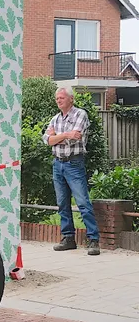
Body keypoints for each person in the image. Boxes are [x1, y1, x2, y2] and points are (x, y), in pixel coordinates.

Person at [43, 87, 100, 255]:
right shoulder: (55, 118)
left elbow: (74, 140)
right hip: (57, 164)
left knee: (82, 202)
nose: (58, 100)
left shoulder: (80, 114)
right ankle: (68, 238)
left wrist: (57, 137)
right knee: (62, 204)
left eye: (61, 97)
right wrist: (65, 135)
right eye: (57, 98)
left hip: (74, 164)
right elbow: (47, 140)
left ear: (71, 99)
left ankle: (93, 239)